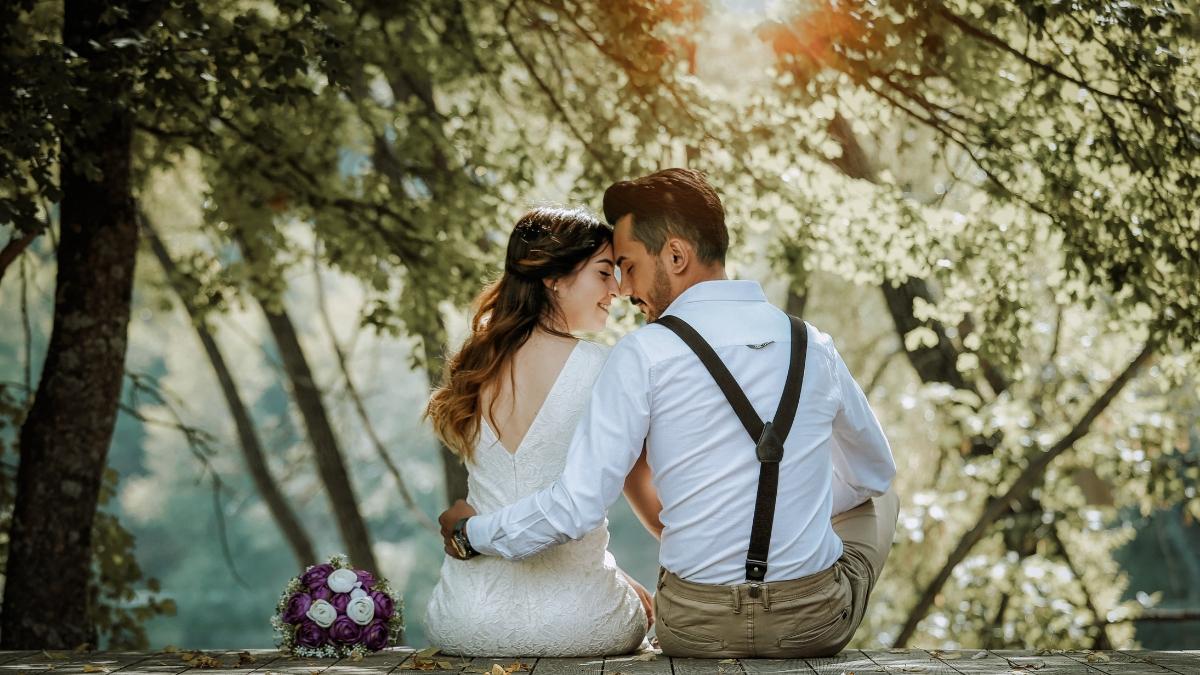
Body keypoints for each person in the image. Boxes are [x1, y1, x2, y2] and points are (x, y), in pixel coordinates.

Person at [439, 168, 899, 657]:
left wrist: (472, 532)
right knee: (880, 494)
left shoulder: (641, 354)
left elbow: (578, 505)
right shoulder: (814, 345)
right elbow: (873, 472)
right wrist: (794, 507)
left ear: (676, 255)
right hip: (811, 623)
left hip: (692, 626)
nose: (624, 288)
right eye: (611, 270)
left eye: (628, 266)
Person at [423, 207, 655, 657]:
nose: (618, 289)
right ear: (553, 277)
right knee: (643, 611)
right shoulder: (605, 367)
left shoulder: (474, 367)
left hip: (465, 619)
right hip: (581, 623)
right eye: (604, 273)